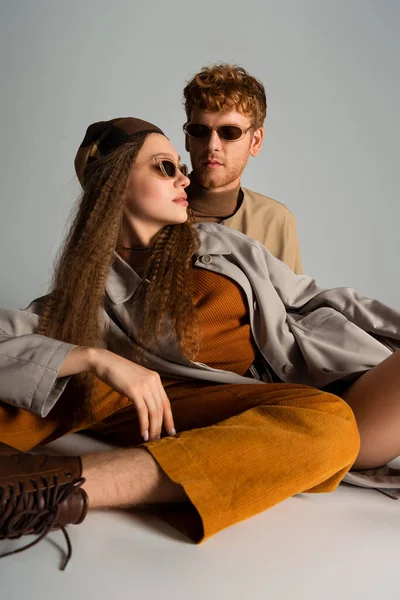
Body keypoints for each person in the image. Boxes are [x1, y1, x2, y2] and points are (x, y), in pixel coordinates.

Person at [1, 115, 399, 571]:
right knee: (331, 427)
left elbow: (317, 299)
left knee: (334, 421)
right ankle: (52, 493)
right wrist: (94, 357)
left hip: (326, 387)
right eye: (164, 166)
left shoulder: (222, 243)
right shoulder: (86, 297)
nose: (183, 176)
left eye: (179, 167)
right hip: (235, 410)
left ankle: (49, 485)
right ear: (115, 183)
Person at [184, 63, 303, 274]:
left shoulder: (275, 221)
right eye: (199, 130)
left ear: (255, 141)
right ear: (187, 138)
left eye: (229, 132)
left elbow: (291, 305)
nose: (212, 145)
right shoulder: (152, 209)